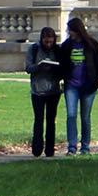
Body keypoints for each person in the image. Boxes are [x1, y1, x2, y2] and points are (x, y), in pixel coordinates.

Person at [60, 15, 98, 155]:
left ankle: (85, 146)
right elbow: (62, 63)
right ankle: (72, 146)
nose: (70, 33)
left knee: (85, 117)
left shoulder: (91, 44)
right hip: (71, 85)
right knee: (71, 115)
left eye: (71, 30)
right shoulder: (67, 45)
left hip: (88, 85)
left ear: (77, 30)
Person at [24, 27, 66, 158]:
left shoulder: (58, 50)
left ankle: (49, 149)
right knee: (38, 119)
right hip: (38, 90)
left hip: (53, 90)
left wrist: (55, 68)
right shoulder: (34, 49)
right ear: (42, 39)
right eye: (46, 41)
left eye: (51, 41)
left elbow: (63, 69)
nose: (48, 44)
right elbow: (28, 68)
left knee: (51, 120)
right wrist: (39, 66)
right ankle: (37, 148)